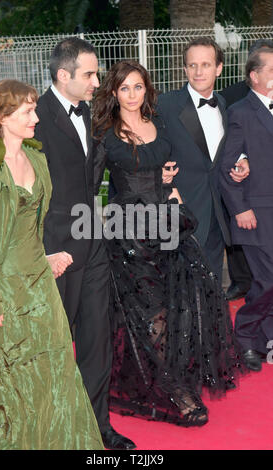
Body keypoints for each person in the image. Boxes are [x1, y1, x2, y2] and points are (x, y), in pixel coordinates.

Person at [93, 60, 246, 428]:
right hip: (129, 233)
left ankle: (176, 374)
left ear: (147, 89)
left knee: (189, 301)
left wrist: (168, 184)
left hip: (167, 223)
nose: (132, 95)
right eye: (124, 88)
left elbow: (159, 168)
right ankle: (175, 388)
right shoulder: (104, 132)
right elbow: (92, 184)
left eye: (138, 87)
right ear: (113, 92)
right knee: (152, 312)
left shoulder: (158, 123)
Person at [0, 79, 103, 450]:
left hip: (40, 288)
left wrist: (46, 258)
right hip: (2, 293)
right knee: (9, 380)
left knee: (55, 373)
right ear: (3, 117)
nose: (36, 117)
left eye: (35, 108)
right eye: (27, 111)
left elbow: (32, 230)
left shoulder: (37, 159)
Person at [34, 37, 135, 450]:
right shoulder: (34, 117)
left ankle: (97, 427)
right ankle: (56, 429)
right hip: (54, 248)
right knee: (54, 344)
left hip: (93, 241)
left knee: (97, 339)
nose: (98, 82)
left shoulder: (90, 113)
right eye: (90, 74)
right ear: (64, 75)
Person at [157, 37, 249, 284]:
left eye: (206, 65)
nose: (199, 72)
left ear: (219, 68)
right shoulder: (165, 105)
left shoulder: (223, 104)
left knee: (212, 289)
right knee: (179, 292)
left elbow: (227, 149)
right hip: (180, 214)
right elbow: (150, 149)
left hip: (217, 216)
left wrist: (243, 159)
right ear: (185, 68)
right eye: (193, 65)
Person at [220, 47, 273, 372]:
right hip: (256, 214)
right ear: (255, 76)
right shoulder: (241, 111)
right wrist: (240, 209)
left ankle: (265, 338)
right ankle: (245, 336)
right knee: (268, 280)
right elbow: (229, 164)